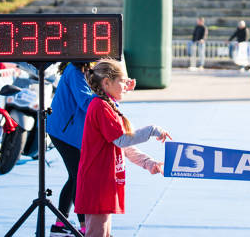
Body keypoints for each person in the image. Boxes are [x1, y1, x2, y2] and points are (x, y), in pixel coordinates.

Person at [74, 58, 172, 237]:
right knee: (98, 233)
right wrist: (152, 130)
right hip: (97, 183)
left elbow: (124, 147)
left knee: (104, 232)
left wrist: (149, 163)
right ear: (106, 82)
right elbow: (121, 140)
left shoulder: (109, 106)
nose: (126, 86)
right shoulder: (100, 106)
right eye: (122, 81)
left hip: (105, 183)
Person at [47, 62, 96, 237]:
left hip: (67, 131)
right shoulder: (75, 71)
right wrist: (110, 98)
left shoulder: (84, 69)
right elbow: (86, 102)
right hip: (62, 131)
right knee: (79, 176)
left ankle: (61, 223)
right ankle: (83, 227)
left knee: (74, 175)